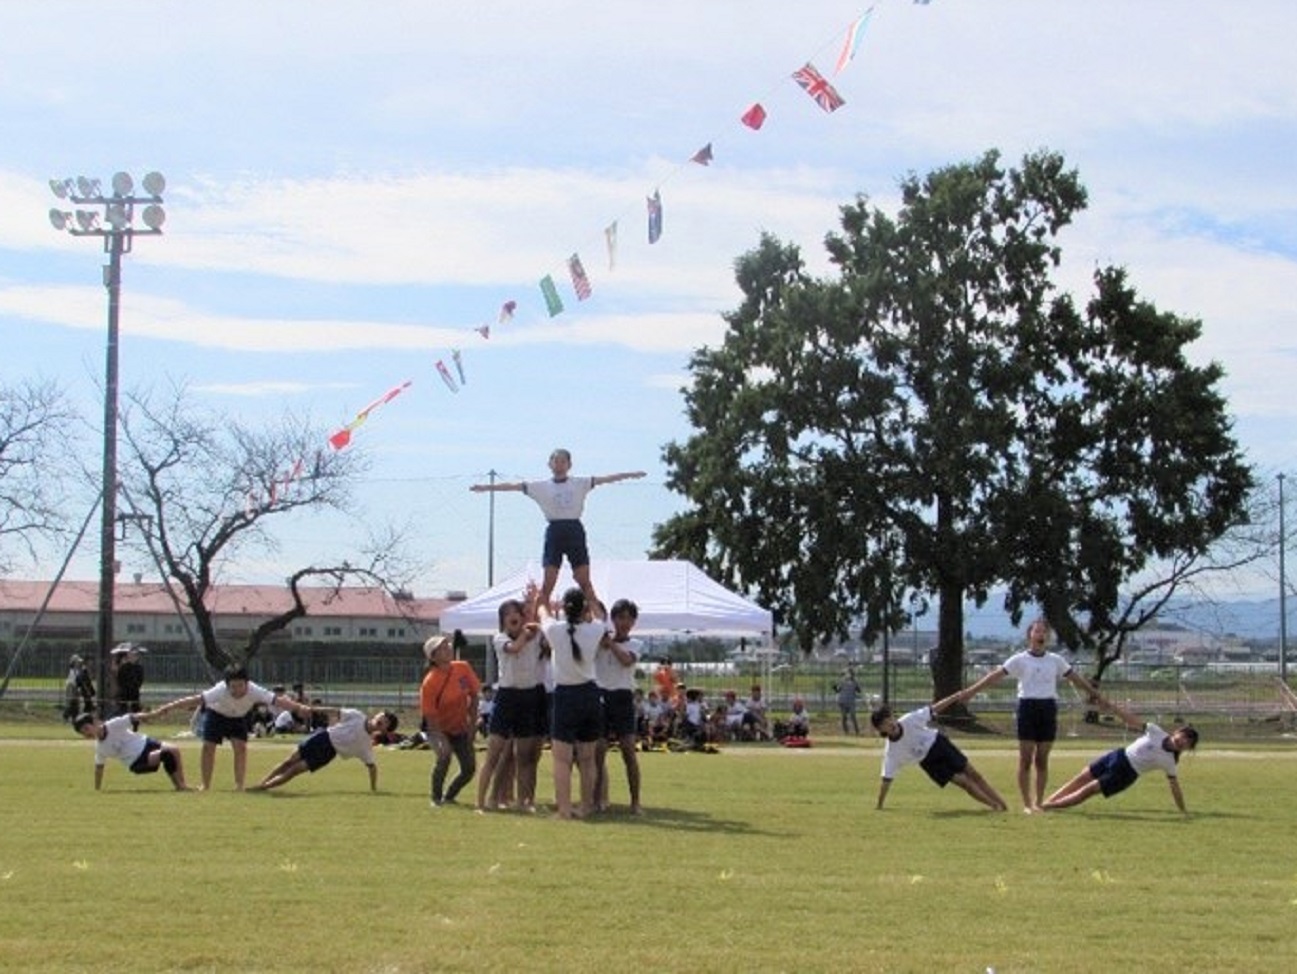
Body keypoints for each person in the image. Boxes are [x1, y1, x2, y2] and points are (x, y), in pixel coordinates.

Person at [956, 616, 1100, 813]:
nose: (1041, 635)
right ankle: (1027, 804)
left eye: (1044, 632)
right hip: (1027, 707)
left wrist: (1094, 695)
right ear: (1030, 635)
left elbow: (1076, 678)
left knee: (1042, 759)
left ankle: (1039, 803)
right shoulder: (1019, 660)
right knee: (1025, 759)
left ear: (1048, 636)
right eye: (1037, 631)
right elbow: (994, 676)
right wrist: (971, 692)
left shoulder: (1056, 661)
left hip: (1048, 708)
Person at [469, 449, 646, 608]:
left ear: (569, 465)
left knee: (584, 581)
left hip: (574, 529)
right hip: (555, 530)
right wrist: (485, 487)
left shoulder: (580, 483)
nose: (559, 465)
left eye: (563, 461)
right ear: (549, 464)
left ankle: (598, 620)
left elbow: (606, 478)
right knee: (548, 583)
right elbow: (513, 487)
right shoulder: (541, 486)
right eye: (556, 461)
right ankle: (540, 620)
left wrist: (631, 474)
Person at [151, 665, 314, 791]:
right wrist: (168, 707)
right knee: (208, 747)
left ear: (247, 683)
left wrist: (299, 708)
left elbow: (278, 701)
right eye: (233, 686)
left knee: (241, 748)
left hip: (239, 717)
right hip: (216, 715)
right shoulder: (220, 690)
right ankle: (205, 785)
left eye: (240, 685)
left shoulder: (255, 690)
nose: (237, 690)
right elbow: (194, 700)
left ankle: (239, 785)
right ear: (227, 685)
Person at [1041, 701, 1198, 813]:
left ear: (1188, 748)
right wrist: (1112, 707)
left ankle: (1047, 807)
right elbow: (1131, 720)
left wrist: (1183, 810)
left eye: (1188, 742)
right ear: (1176, 732)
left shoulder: (1170, 761)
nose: (1183, 741)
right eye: (1183, 736)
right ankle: (1045, 803)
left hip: (1126, 773)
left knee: (1088, 790)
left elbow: (1174, 786)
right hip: (1118, 755)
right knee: (1080, 779)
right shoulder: (1156, 731)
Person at [870, 692, 1008, 811]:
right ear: (881, 730)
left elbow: (933, 709)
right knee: (965, 783)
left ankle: (1003, 805)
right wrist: (879, 804)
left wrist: (955, 697)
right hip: (929, 762)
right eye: (885, 724)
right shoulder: (892, 752)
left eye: (890, 719)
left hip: (939, 744)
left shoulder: (909, 720)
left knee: (974, 774)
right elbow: (887, 779)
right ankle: (994, 806)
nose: (891, 724)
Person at [538, 586, 607, 819]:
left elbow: (542, 612)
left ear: (563, 608)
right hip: (590, 694)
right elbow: (601, 615)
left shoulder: (555, 630)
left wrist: (543, 596)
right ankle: (586, 806)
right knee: (588, 758)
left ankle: (564, 809)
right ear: (584, 608)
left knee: (561, 759)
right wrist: (588, 589)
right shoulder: (594, 630)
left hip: (566, 695)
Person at [475, 594, 546, 813]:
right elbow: (514, 648)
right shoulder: (499, 638)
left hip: (529, 696)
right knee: (494, 752)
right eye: (508, 614)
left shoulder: (535, 635)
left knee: (524, 754)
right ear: (502, 620)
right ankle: (482, 802)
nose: (513, 617)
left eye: (517, 613)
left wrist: (536, 606)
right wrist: (527, 632)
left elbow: (546, 631)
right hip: (507, 697)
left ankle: (525, 801)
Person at [251, 708, 398, 793]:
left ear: (385, 730)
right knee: (288, 761)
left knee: (294, 770)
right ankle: (261, 783)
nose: (382, 721)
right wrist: (312, 710)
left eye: (386, 723)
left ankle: (264, 788)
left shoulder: (366, 745)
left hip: (327, 753)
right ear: (377, 714)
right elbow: (335, 711)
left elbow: (372, 766)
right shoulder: (357, 716)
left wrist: (373, 788)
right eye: (383, 717)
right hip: (322, 736)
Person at [420, 633, 482, 807]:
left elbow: (474, 695)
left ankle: (450, 796)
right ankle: (436, 798)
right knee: (444, 756)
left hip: (460, 726)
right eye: (442, 647)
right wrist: (440, 738)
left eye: (448, 645)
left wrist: (472, 725)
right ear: (433, 656)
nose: (448, 649)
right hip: (436, 728)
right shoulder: (430, 682)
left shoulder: (463, 668)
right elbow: (430, 715)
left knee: (469, 768)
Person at [595, 597, 643, 814]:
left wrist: (610, 643)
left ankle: (635, 802)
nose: (624, 622)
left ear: (634, 621)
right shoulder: (599, 643)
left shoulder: (635, 644)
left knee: (628, 753)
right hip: (601, 697)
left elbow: (627, 660)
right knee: (598, 753)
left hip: (623, 697)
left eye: (628, 618)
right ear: (612, 619)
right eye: (620, 617)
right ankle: (597, 800)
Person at [73, 710, 192, 792]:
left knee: (174, 750)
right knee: (167, 754)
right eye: (83, 733)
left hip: (147, 743)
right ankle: (180, 787)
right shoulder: (100, 748)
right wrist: (97, 789)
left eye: (86, 728)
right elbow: (99, 768)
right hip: (137, 761)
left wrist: (155, 714)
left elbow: (134, 717)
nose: (86, 734)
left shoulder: (113, 725)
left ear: (95, 722)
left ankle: (183, 785)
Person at [111, 643, 146, 715]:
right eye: (132, 655)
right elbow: (119, 680)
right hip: (123, 693)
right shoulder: (122, 667)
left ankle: (134, 724)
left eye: (136, 655)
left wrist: (135, 687)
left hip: (134, 693)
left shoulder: (138, 668)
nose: (135, 657)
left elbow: (140, 680)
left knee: (135, 711)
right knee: (121, 710)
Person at [63, 655, 95, 722]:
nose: (79, 663)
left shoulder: (77, 670)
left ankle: (72, 717)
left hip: (74, 687)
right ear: (74, 662)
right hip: (71, 687)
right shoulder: (73, 671)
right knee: (71, 702)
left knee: (74, 703)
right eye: (77, 662)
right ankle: (67, 716)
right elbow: (73, 682)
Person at [835, 666, 863, 736]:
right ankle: (846, 732)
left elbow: (859, 690)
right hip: (843, 701)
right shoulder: (842, 681)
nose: (849, 675)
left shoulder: (854, 682)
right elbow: (837, 690)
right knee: (844, 717)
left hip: (851, 702)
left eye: (850, 673)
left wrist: (856, 683)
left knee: (853, 716)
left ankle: (857, 731)